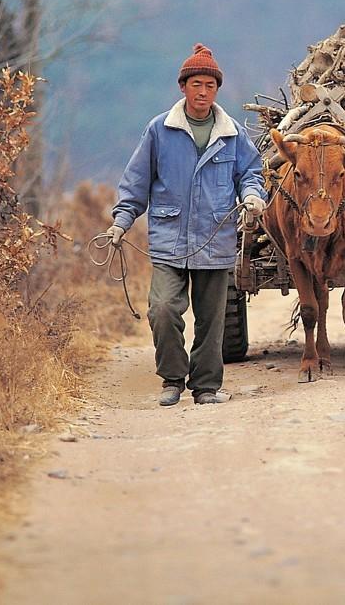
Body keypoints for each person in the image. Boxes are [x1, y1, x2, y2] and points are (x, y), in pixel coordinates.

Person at [107, 43, 266, 406]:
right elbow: (136, 183)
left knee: (212, 321)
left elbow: (251, 174)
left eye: (210, 86)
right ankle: (172, 379)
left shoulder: (233, 133)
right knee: (162, 309)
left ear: (216, 90)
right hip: (169, 238)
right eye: (196, 84)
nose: (202, 91)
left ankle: (207, 386)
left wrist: (253, 197)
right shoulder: (160, 130)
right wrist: (121, 222)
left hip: (216, 237)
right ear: (183, 87)